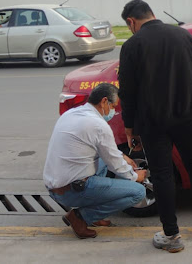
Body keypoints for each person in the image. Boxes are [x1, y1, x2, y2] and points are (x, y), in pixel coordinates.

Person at [118, 0, 192, 253]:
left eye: (129, 26)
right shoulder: (184, 36)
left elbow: (127, 92)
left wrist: (130, 127)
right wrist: (189, 104)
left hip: (153, 122)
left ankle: (171, 235)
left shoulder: (132, 45)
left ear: (131, 22)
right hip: (188, 117)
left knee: (162, 174)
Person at [43, 83, 148, 239]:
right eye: (113, 106)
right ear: (104, 102)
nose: (113, 111)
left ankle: (94, 215)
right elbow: (115, 164)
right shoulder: (98, 125)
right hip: (70, 189)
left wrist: (123, 156)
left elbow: (108, 153)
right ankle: (80, 217)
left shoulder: (72, 113)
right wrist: (135, 176)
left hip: (54, 184)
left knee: (106, 161)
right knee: (138, 192)